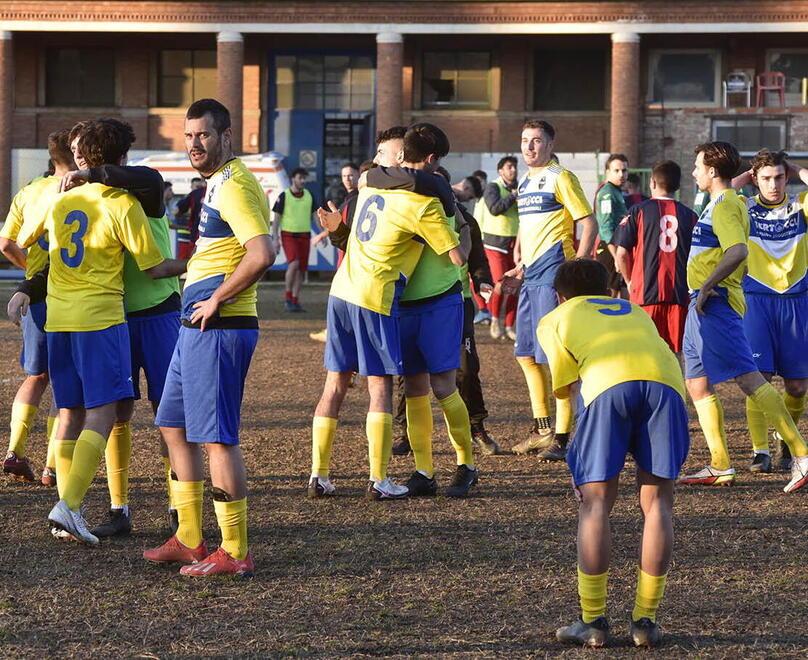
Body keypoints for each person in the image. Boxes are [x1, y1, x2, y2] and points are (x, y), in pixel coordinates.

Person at [14, 119, 186, 546]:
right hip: (109, 316)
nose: (73, 158)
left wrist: (83, 177)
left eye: (79, 151)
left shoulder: (137, 187)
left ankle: (180, 508)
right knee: (112, 412)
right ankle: (107, 507)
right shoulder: (97, 199)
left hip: (151, 312)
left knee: (167, 416)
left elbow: (148, 178)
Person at [143, 99, 274, 576]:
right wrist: (174, 269)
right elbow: (217, 252)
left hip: (219, 327)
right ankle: (191, 538)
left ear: (226, 135)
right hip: (194, 327)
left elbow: (262, 253)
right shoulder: (215, 185)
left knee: (217, 438)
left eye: (204, 135)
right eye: (190, 135)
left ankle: (235, 551)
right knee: (172, 424)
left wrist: (217, 297)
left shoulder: (236, 185)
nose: (195, 143)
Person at [307, 123, 465, 501]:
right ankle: (378, 479)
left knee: (335, 384)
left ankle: (320, 475)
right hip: (375, 296)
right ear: (430, 161)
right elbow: (456, 255)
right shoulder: (423, 203)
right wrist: (447, 215)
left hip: (340, 291)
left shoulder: (369, 184)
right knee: (379, 388)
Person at [541, 259, 690, 649]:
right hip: (666, 383)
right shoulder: (634, 310)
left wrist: (577, 461)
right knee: (658, 504)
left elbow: (567, 390)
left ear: (560, 295)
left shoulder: (556, 317)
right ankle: (646, 622)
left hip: (608, 386)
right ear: (609, 290)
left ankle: (592, 621)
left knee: (595, 504)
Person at [677, 142, 808, 493]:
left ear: (712, 171)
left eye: (698, 166)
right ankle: (721, 464)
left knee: (750, 379)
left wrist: (707, 285)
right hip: (701, 302)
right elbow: (724, 189)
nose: (693, 172)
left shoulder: (728, 205)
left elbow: (737, 249)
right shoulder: (723, 200)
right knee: (697, 382)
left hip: (716, 300)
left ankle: (801, 454)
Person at [365, 149, 480, 498]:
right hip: (404, 304)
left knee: (444, 385)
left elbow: (463, 254)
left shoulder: (452, 214)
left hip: (441, 304)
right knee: (414, 388)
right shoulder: (404, 203)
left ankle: (466, 465)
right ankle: (424, 471)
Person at [503, 120, 597, 459]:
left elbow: (588, 223)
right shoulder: (526, 182)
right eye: (525, 140)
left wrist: (579, 267)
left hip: (555, 276)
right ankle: (543, 428)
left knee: (558, 359)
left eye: (537, 141)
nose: (529, 147)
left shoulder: (561, 177)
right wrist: (521, 266)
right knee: (526, 355)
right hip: (531, 276)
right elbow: (535, 233)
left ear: (551, 144)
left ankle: (563, 436)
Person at [0, 130, 74, 485]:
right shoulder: (78, 190)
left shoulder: (29, 191)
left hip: (36, 296)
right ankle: (52, 467)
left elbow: (5, 243)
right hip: (69, 292)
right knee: (65, 383)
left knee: (36, 375)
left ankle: (14, 451)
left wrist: (29, 268)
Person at [730, 150, 808, 473]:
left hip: (797, 301)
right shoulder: (744, 207)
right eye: (765, 178)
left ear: (786, 176)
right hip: (757, 300)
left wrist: (797, 170)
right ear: (755, 180)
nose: (773, 184)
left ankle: (784, 438)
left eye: (778, 177)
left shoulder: (801, 205)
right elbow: (717, 196)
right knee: (758, 378)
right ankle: (759, 451)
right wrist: (744, 179)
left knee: (798, 386)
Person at [613, 160, 698, 353]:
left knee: (644, 351)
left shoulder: (637, 211)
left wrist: (628, 280)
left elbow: (621, 253)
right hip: (678, 294)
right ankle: (675, 384)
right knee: (675, 353)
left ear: (652, 183)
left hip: (645, 294)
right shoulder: (691, 216)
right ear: (677, 186)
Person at [310, 162, 360, 343]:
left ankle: (337, 332)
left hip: (351, 255)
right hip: (344, 253)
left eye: (351, 175)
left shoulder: (357, 200)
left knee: (344, 295)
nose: (347, 179)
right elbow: (339, 223)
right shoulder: (348, 200)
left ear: (360, 175)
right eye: (344, 176)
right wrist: (324, 234)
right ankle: (334, 329)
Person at [475, 156, 520, 340]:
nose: (513, 170)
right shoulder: (492, 187)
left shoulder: (521, 187)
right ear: (500, 170)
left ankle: (509, 326)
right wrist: (514, 196)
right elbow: (495, 208)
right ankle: (494, 319)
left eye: (515, 167)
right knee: (501, 283)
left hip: (516, 244)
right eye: (509, 167)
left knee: (515, 286)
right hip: (495, 244)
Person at [272, 167, 314, 312]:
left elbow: (315, 216)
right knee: (294, 263)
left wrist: (324, 233)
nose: (302, 181)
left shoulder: (309, 195)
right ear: (293, 179)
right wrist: (275, 238)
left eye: (304, 178)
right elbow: (276, 218)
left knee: (301, 269)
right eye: (300, 178)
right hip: (289, 235)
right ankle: (287, 297)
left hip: (305, 235)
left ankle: (295, 300)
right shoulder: (284, 196)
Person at [594, 154, 629, 297]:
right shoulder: (607, 194)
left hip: (617, 248)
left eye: (624, 170)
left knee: (623, 294)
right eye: (616, 170)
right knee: (610, 296)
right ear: (607, 172)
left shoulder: (616, 191)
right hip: (610, 250)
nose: (621, 174)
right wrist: (616, 257)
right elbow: (606, 227)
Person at [175, 177, 205, 259]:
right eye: (196, 186)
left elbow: (177, 212)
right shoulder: (219, 191)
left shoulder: (194, 195)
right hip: (192, 235)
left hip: (195, 235)